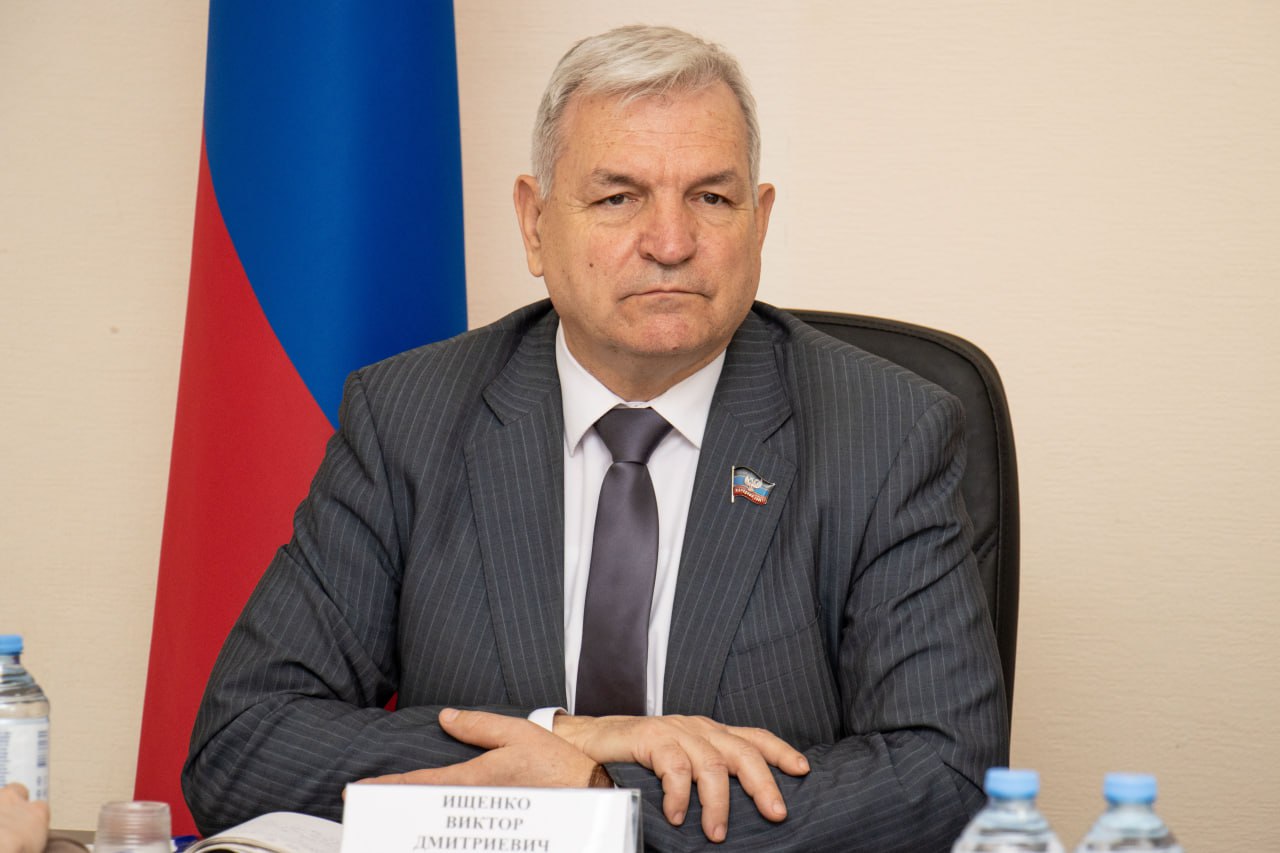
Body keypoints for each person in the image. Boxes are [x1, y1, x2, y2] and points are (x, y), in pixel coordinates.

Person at [184, 24, 1007, 850]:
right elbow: (240, 744)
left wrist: (600, 793)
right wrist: (563, 735)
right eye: (619, 198)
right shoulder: (408, 418)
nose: (671, 243)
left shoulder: (885, 432)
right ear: (535, 223)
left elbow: (944, 777)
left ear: (758, 223)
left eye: (711, 198)